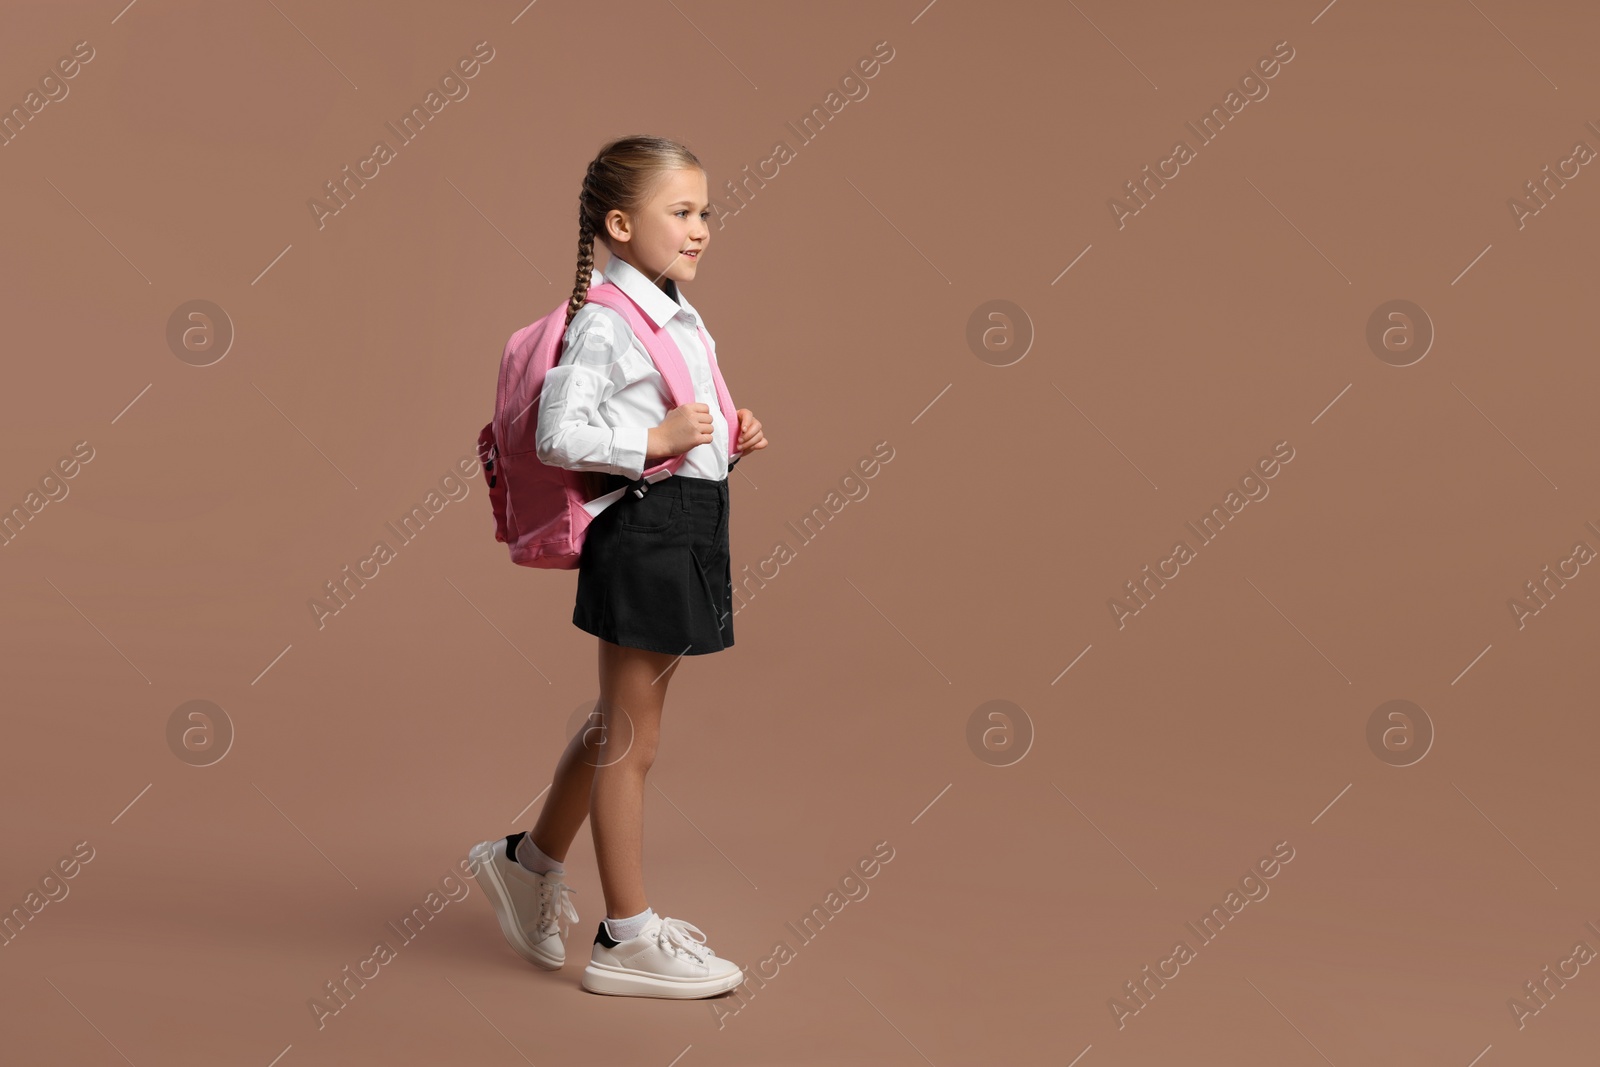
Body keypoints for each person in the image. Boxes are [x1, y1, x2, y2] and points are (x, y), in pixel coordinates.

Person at [470, 135, 768, 999]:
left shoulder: (673, 308)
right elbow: (557, 432)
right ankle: (625, 936)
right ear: (619, 223)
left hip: (686, 521)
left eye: (705, 211)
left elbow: (683, 416)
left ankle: (525, 865)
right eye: (682, 212)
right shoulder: (604, 317)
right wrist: (656, 441)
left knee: (617, 725)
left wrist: (727, 436)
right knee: (633, 742)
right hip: (645, 530)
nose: (701, 227)